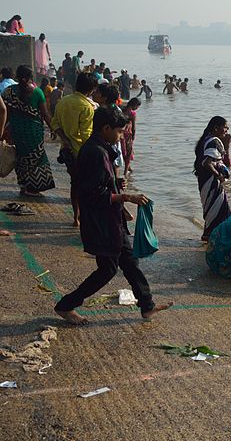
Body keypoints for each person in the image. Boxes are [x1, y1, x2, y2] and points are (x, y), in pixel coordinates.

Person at [53, 107, 172, 324]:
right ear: (106, 128)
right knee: (107, 269)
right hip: (102, 222)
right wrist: (125, 196)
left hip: (112, 221)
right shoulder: (95, 152)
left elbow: (102, 183)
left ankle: (147, 305)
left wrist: (116, 185)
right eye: (119, 131)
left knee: (130, 261)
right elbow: (93, 194)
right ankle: (66, 305)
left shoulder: (102, 148)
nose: (121, 136)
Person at [51, 72, 99, 226]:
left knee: (75, 183)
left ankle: (76, 218)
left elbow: (54, 124)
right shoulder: (87, 107)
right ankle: (86, 217)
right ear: (91, 89)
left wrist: (65, 140)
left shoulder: (63, 102)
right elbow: (86, 135)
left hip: (67, 152)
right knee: (88, 186)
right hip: (83, 152)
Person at [1, 65, 55, 196]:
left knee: (20, 157)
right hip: (33, 132)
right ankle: (33, 188)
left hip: (17, 131)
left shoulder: (8, 91)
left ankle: (24, 185)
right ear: (31, 77)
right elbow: (45, 114)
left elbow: (4, 112)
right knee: (37, 158)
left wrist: (3, 129)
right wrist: (53, 129)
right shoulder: (37, 92)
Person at [194, 116, 231, 241]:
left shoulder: (206, 139)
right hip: (210, 181)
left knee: (211, 210)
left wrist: (226, 147)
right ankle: (215, 239)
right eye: (225, 127)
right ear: (216, 128)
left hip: (204, 180)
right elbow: (207, 163)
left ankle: (207, 235)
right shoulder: (213, 141)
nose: (227, 130)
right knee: (220, 211)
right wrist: (218, 175)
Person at [121, 98, 141, 174]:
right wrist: (133, 136)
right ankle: (125, 172)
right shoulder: (132, 113)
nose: (137, 108)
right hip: (128, 135)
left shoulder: (122, 109)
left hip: (120, 133)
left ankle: (129, 168)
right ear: (135, 105)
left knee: (123, 151)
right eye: (137, 106)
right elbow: (134, 127)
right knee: (128, 153)